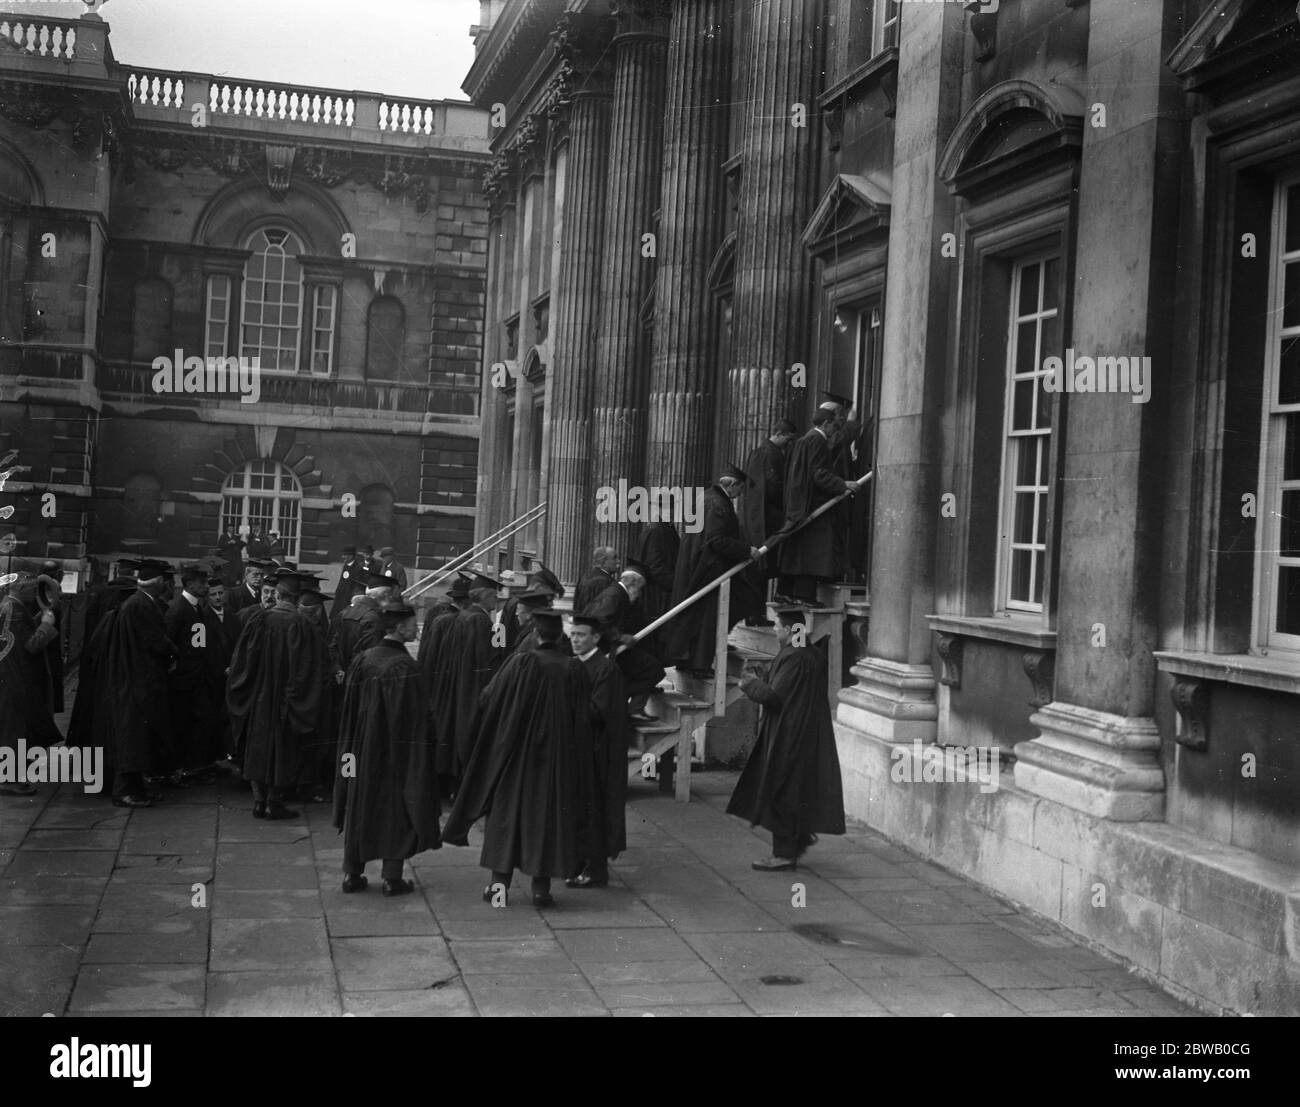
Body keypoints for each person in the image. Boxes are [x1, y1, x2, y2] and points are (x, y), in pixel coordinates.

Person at [442, 609, 590, 908]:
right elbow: (582, 718)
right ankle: (541, 891)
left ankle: (498, 888)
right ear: (560, 637)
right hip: (557, 761)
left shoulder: (521, 663)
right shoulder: (574, 669)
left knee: (507, 819)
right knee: (547, 821)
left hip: (517, 756)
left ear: (536, 635)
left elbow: (488, 697)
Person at [333, 601, 441, 896]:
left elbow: (350, 709)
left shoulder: (363, 660)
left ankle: (351, 876)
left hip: (359, 751)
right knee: (395, 810)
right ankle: (392, 878)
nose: (416, 628)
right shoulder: (405, 666)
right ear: (399, 627)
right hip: (394, 755)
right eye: (411, 624)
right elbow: (417, 720)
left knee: (359, 806)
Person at [726, 607, 846, 871]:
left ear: (792, 630)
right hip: (806, 730)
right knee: (794, 788)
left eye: (778, 627)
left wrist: (749, 683)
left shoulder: (794, 657)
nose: (775, 631)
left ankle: (783, 854)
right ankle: (797, 840)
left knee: (780, 788)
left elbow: (774, 698)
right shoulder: (811, 653)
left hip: (789, 733)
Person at [225, 570, 327, 820]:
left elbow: (241, 663)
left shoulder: (259, 619)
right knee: (282, 752)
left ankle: (259, 802)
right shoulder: (304, 625)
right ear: (296, 598)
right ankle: (274, 802)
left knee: (258, 749)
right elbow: (310, 672)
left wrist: (248, 692)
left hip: (259, 698)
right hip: (286, 702)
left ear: (278, 594)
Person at [664, 464, 763, 676]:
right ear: (733, 485)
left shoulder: (705, 498)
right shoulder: (717, 504)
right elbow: (716, 540)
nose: (740, 495)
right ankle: (699, 664)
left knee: (697, 616)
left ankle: (689, 660)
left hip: (697, 565)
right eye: (740, 489)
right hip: (709, 568)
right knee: (707, 617)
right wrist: (747, 550)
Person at [104, 559, 179, 808]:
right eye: (166, 583)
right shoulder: (142, 606)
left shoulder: (137, 602)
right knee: (133, 738)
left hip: (134, 678)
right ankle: (125, 791)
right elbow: (156, 641)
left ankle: (137, 788)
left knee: (138, 737)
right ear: (157, 584)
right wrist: (175, 653)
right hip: (137, 681)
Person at [566, 614, 628, 889]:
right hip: (578, 750)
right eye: (573, 634)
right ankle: (578, 861)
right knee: (579, 809)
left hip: (597, 752)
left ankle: (595, 869)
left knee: (595, 810)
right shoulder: (574, 665)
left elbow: (599, 710)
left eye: (581, 635)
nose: (575, 639)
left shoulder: (605, 668)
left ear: (595, 638)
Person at [430, 571, 504, 791]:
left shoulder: (462, 616)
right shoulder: (480, 620)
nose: (496, 601)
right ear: (482, 597)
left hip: (457, 681)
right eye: (493, 597)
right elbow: (486, 659)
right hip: (472, 685)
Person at [776, 408, 855, 606]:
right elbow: (819, 474)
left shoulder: (803, 441)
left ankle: (786, 592)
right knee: (812, 552)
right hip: (814, 505)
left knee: (797, 550)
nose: (834, 430)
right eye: (833, 425)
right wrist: (843, 484)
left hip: (799, 505)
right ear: (826, 423)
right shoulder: (818, 441)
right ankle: (805, 595)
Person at [0, 573, 63, 797]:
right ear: (20, 589)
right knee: (15, 731)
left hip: (9, 677)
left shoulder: (9, 605)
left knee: (11, 729)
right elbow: (31, 645)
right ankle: (8, 779)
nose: (33, 592)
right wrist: (46, 625)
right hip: (17, 680)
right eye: (30, 588)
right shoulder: (15, 610)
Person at [163, 565, 225, 783]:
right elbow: (168, 641)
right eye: (203, 583)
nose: (207, 586)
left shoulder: (197, 608)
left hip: (197, 679)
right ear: (189, 584)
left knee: (200, 722)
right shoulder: (179, 609)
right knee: (182, 725)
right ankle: (180, 769)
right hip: (183, 681)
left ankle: (194, 766)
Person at [585, 566, 664, 721]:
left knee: (651, 668)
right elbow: (599, 619)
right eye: (640, 588)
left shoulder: (616, 593)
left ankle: (627, 703)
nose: (639, 593)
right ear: (633, 583)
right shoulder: (615, 595)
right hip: (610, 649)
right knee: (653, 668)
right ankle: (629, 704)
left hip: (613, 649)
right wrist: (619, 637)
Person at [297, 576, 343, 804]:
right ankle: (306, 786)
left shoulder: (299, 628)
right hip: (312, 697)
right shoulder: (310, 631)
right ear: (314, 612)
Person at [743, 419, 798, 597]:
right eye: (788, 439)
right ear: (779, 434)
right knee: (763, 564)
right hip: (768, 517)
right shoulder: (765, 453)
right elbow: (769, 487)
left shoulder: (769, 452)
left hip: (768, 516)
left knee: (766, 563)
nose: (789, 444)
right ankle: (756, 612)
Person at [634, 521, 679, 664]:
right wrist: (676, 584)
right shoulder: (658, 530)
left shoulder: (657, 528)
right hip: (659, 594)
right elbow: (655, 566)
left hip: (657, 593)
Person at [330, 570, 391, 672]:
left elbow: (333, 646)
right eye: (390, 595)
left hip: (343, 675)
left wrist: (338, 670)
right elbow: (370, 658)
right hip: (360, 679)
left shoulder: (345, 612)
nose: (391, 598)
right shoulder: (374, 619)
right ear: (384, 594)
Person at [574, 547, 620, 614]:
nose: (618, 561)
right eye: (614, 558)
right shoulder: (608, 582)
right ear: (604, 562)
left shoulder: (584, 577)